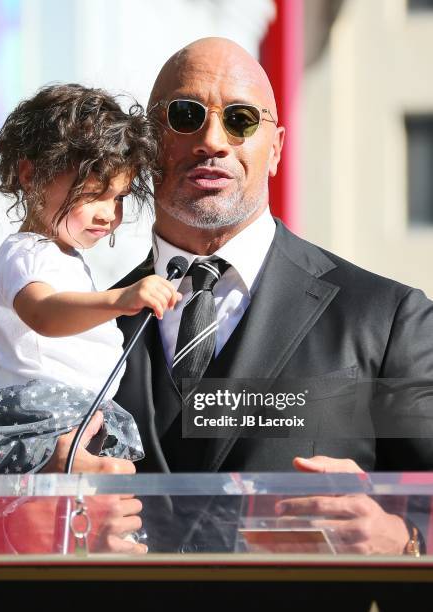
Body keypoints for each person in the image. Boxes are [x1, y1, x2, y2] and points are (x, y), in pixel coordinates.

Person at [47, 39, 433, 554]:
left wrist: (404, 538)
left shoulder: (386, 320)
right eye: (185, 115)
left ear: (274, 148)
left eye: (242, 119)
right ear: (145, 146)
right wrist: (40, 508)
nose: (213, 140)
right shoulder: (71, 326)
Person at [0, 83, 181, 554]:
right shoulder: (24, 252)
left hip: (79, 417)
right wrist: (120, 300)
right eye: (93, 193)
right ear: (32, 175)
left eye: (117, 198)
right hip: (40, 419)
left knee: (100, 526)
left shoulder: (68, 259)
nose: (108, 214)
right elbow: (43, 313)